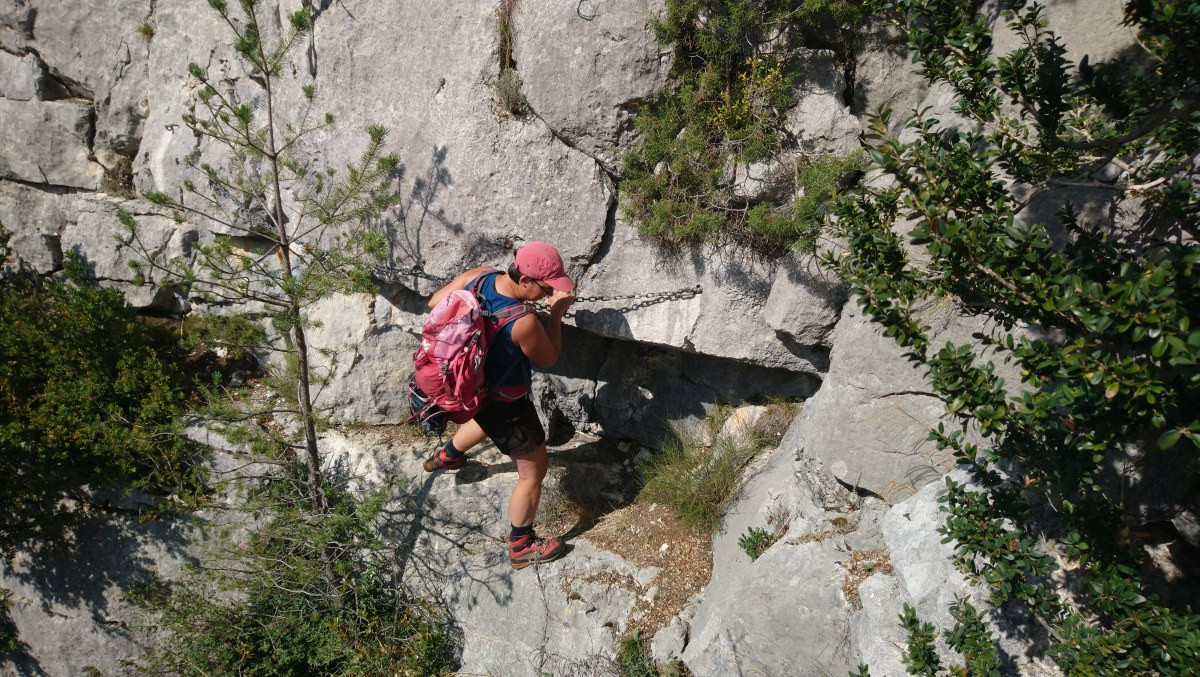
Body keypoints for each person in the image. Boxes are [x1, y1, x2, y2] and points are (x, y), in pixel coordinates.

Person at [421, 241, 576, 570]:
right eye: (547, 288)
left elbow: (435, 302)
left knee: (484, 419)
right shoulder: (524, 321)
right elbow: (549, 357)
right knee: (533, 471)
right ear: (525, 280)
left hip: (470, 391)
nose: (549, 293)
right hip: (507, 404)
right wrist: (557, 314)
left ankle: (447, 456)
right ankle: (522, 545)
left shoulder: (479, 277)